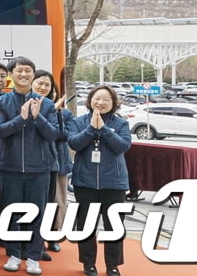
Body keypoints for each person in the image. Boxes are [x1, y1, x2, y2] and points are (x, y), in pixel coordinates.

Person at [0, 57, 60, 276]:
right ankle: (13, 254)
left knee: (37, 214)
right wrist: (21, 119)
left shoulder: (46, 103)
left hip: (39, 168)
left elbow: (53, 134)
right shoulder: (0, 102)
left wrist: (37, 117)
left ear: (33, 74)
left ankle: (33, 257)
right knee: (11, 213)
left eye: (28, 71)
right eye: (19, 71)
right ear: (11, 74)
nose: (23, 74)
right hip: (9, 167)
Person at [66, 86, 131, 276]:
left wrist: (103, 129)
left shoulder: (120, 123)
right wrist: (90, 129)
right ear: (90, 100)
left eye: (106, 100)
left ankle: (113, 265)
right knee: (86, 224)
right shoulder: (78, 121)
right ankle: (88, 263)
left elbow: (123, 146)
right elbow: (74, 143)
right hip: (84, 182)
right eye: (97, 98)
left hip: (114, 182)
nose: (100, 103)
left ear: (113, 103)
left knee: (114, 225)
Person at [31, 70, 72, 260]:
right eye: (39, 83)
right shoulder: (26, 107)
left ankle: (53, 236)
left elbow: (64, 136)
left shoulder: (63, 113)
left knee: (57, 201)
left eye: (48, 86)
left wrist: (56, 113)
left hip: (56, 162)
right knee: (38, 203)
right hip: (34, 163)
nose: (43, 88)